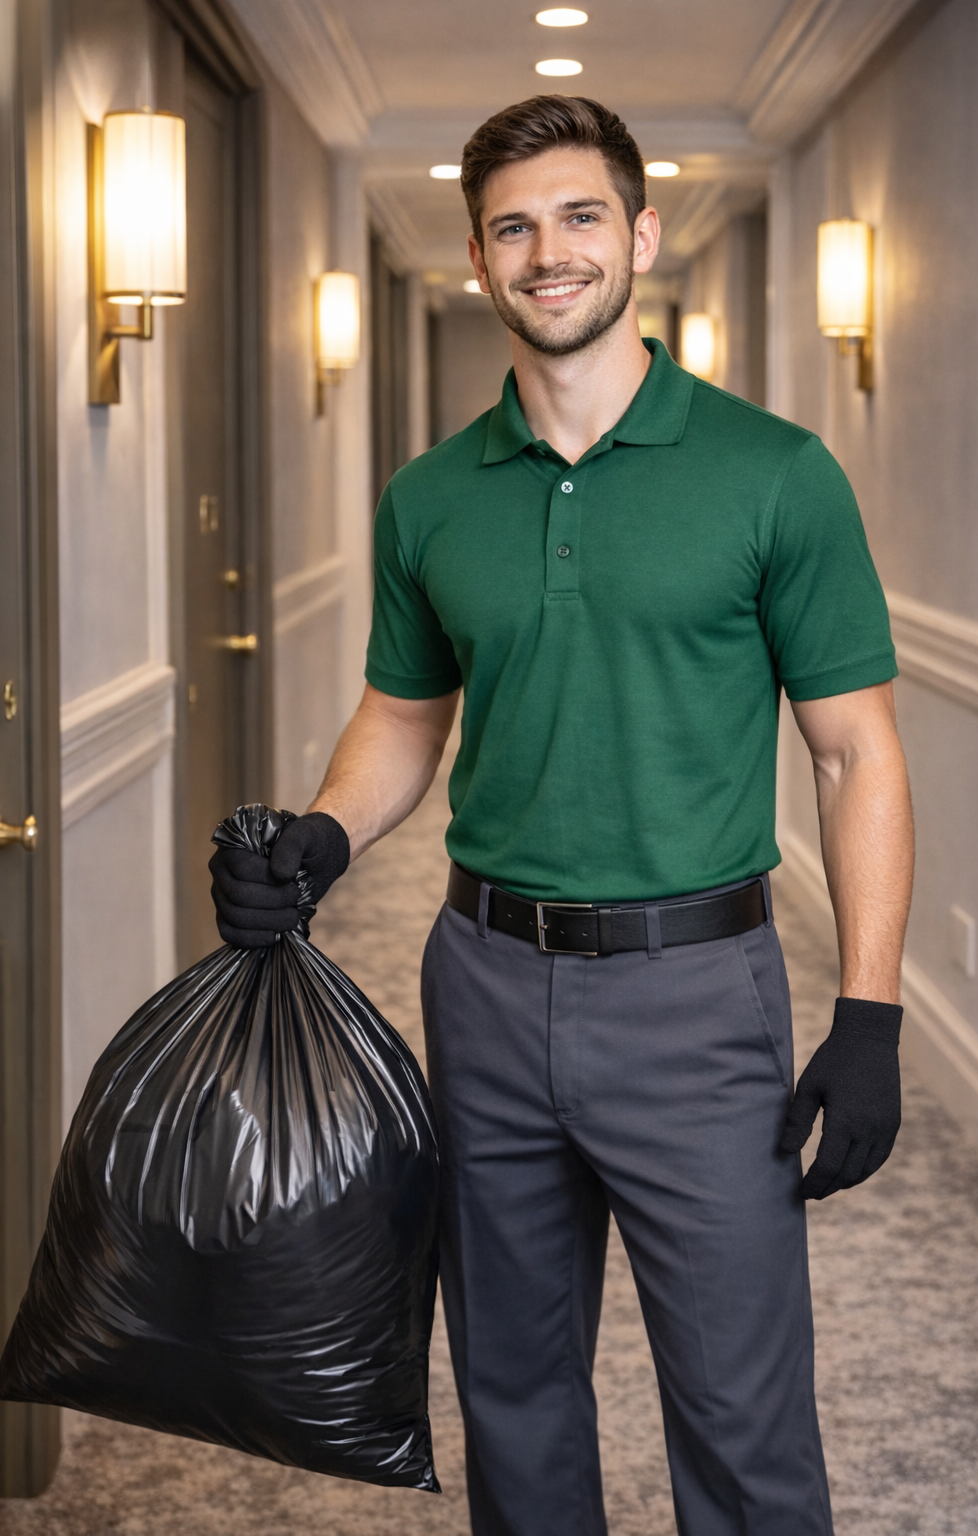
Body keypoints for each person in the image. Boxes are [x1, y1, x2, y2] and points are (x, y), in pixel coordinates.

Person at [210, 95, 914, 1536]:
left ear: (640, 234)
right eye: (515, 226)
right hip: (481, 984)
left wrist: (871, 1012)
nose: (551, 252)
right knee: (514, 1398)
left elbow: (856, 754)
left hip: (696, 996)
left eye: (581, 215)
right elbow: (406, 718)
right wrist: (325, 838)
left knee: (741, 1409)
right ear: (477, 258)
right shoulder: (429, 499)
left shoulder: (774, 474)